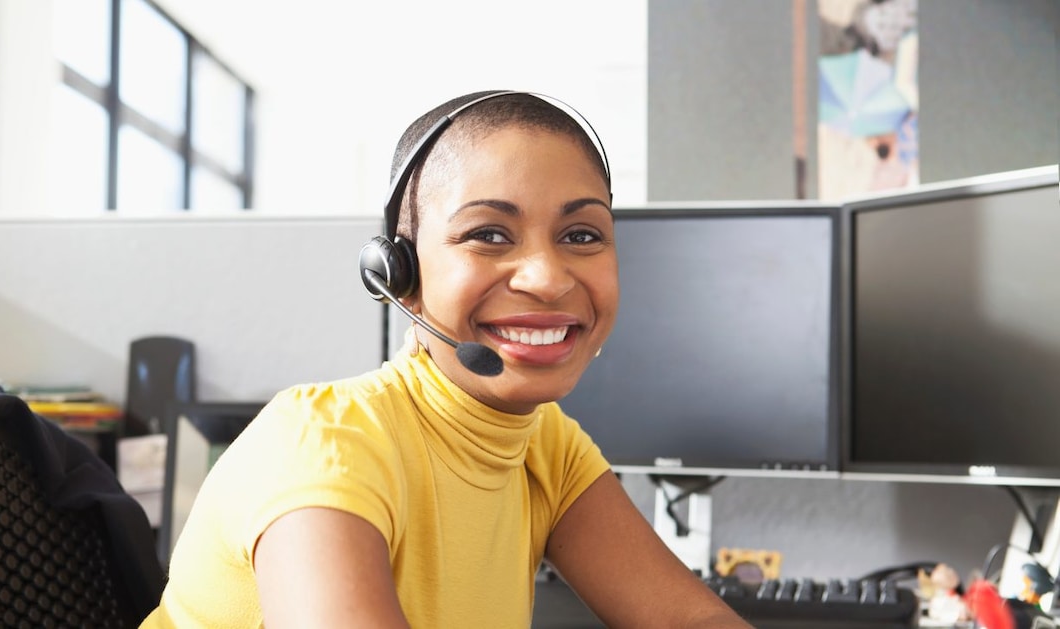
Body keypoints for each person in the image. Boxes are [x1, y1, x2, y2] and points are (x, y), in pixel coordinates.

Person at [140, 90, 751, 628]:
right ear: (396, 274)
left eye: (581, 236)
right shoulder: (325, 444)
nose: (545, 278)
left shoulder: (546, 447)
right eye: (488, 234)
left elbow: (687, 617)